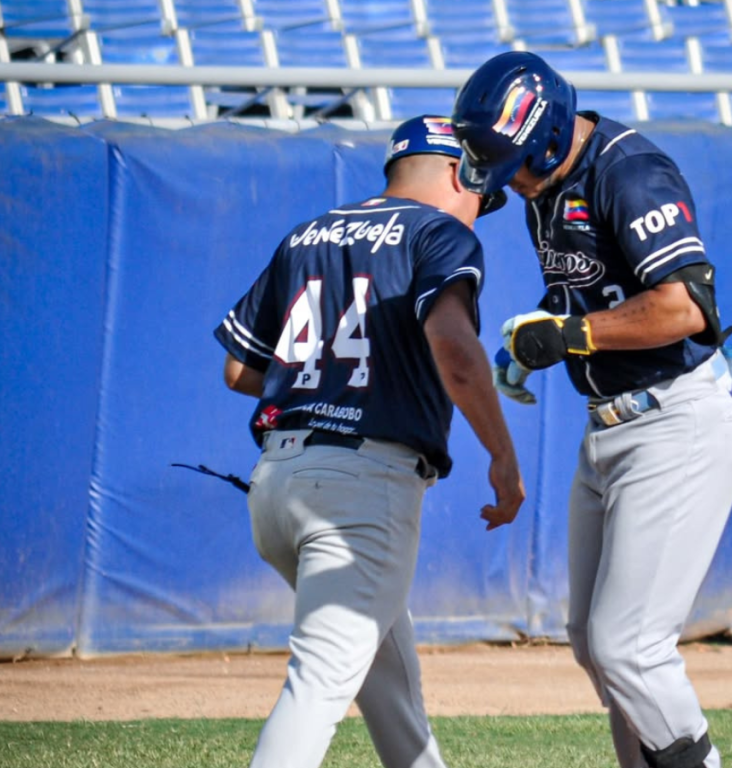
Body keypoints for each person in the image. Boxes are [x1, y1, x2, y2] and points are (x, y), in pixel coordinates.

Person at [452, 52, 732, 768]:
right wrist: (538, 336)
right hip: (610, 425)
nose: (511, 180)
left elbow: (684, 306)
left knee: (629, 646)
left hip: (677, 420)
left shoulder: (628, 171)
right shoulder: (548, 183)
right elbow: (587, 290)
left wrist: (572, 335)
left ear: (545, 137)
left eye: (515, 164)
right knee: (596, 647)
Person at [213, 115, 525, 768]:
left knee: (390, 693)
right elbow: (456, 352)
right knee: (319, 684)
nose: (479, 207)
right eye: (480, 190)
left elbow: (240, 369)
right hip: (357, 490)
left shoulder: (307, 233)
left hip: (275, 482)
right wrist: (502, 454)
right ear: (456, 170)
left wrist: (326, 383)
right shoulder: (440, 232)